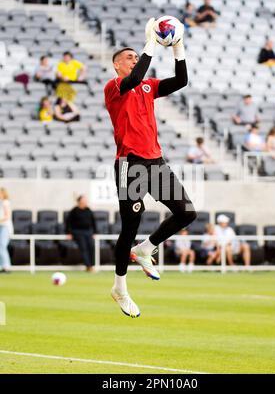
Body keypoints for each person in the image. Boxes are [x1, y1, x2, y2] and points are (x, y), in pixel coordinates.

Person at [104, 19, 196, 318]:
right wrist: (151, 44)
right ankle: (120, 287)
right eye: (128, 57)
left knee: (187, 212)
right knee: (128, 228)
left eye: (135, 55)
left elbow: (180, 81)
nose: (134, 59)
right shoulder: (116, 86)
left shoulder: (147, 85)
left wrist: (178, 47)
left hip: (155, 161)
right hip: (129, 164)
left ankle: (147, 248)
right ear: (117, 65)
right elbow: (134, 78)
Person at [66, 195, 96, 272]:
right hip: (78, 232)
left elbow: (93, 221)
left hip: (88, 232)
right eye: (84, 200)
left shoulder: (88, 210)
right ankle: (88, 266)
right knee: (84, 247)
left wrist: (94, 232)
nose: (85, 202)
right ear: (79, 202)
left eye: (86, 201)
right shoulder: (74, 211)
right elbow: (68, 222)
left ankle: (92, 265)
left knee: (91, 247)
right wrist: (69, 233)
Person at [0, 188, 13, 273]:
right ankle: (3, 266)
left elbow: (7, 216)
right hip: (1, 227)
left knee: (2, 246)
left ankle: (6, 267)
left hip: (5, 227)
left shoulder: (5, 202)